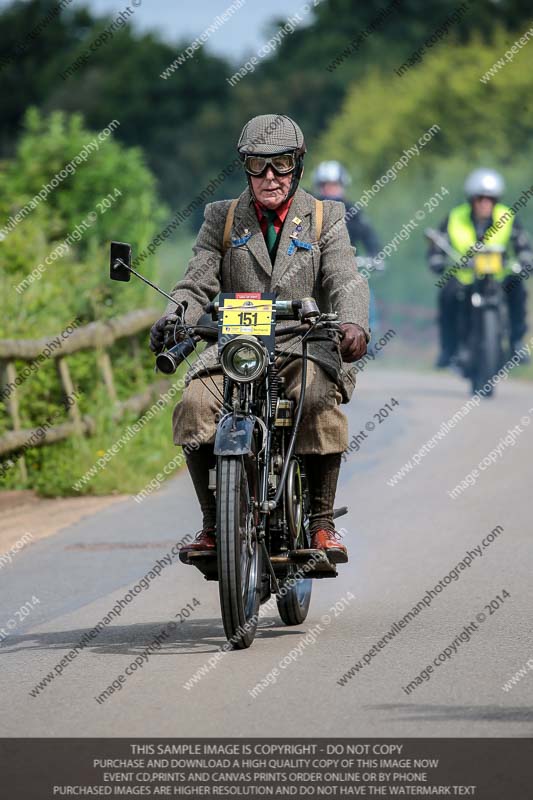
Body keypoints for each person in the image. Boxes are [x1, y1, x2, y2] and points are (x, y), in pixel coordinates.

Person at [150, 114, 369, 561]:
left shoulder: (326, 216)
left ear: (298, 166)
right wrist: (175, 316)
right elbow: (196, 283)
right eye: (257, 165)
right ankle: (214, 525)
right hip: (238, 345)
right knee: (194, 405)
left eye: (281, 164)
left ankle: (322, 525)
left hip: (301, 341)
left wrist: (353, 323)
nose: (270, 176)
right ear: (245, 168)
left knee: (313, 397)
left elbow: (346, 277)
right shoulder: (222, 218)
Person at [428, 168, 531, 367]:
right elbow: (439, 243)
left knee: (518, 290)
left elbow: (523, 245)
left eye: (490, 199)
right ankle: (448, 349)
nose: (485, 203)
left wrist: (526, 260)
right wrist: (436, 259)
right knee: (447, 295)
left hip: (500, 278)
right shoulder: (456, 217)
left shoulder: (507, 216)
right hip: (464, 277)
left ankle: (516, 343)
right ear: (472, 199)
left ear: (496, 200)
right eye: (480, 198)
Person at [313, 161, 382, 337]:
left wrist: (375, 256)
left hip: (347, 269)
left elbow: (369, 236)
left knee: (365, 298)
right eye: (326, 185)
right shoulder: (311, 209)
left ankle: (367, 335)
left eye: (334, 185)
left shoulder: (353, 212)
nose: (330, 189)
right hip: (312, 270)